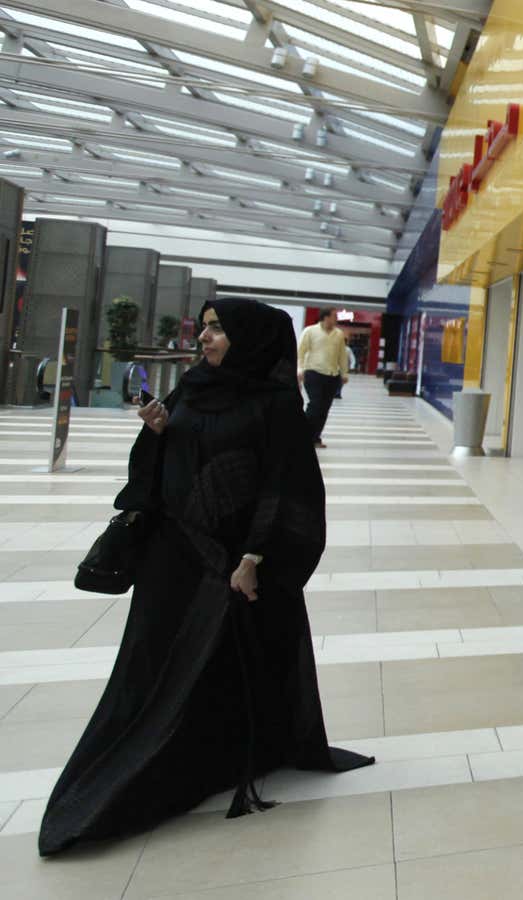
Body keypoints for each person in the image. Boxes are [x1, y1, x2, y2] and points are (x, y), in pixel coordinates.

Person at [38, 299, 373, 857]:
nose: (206, 338)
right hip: (174, 559)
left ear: (251, 337)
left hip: (236, 566)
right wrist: (161, 432)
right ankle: (138, 765)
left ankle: (213, 753)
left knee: (224, 664)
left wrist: (258, 555)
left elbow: (285, 487)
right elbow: (163, 466)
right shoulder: (191, 388)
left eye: (218, 328)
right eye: (206, 327)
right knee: (155, 663)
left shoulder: (273, 405)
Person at [296, 309, 347, 448]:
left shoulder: (339, 334)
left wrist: (344, 373)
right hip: (313, 373)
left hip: (332, 376)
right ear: (326, 317)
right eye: (334, 316)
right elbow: (300, 351)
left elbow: (342, 355)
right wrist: (299, 369)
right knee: (315, 405)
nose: (336, 318)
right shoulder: (310, 331)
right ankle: (302, 436)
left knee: (324, 408)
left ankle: (315, 438)